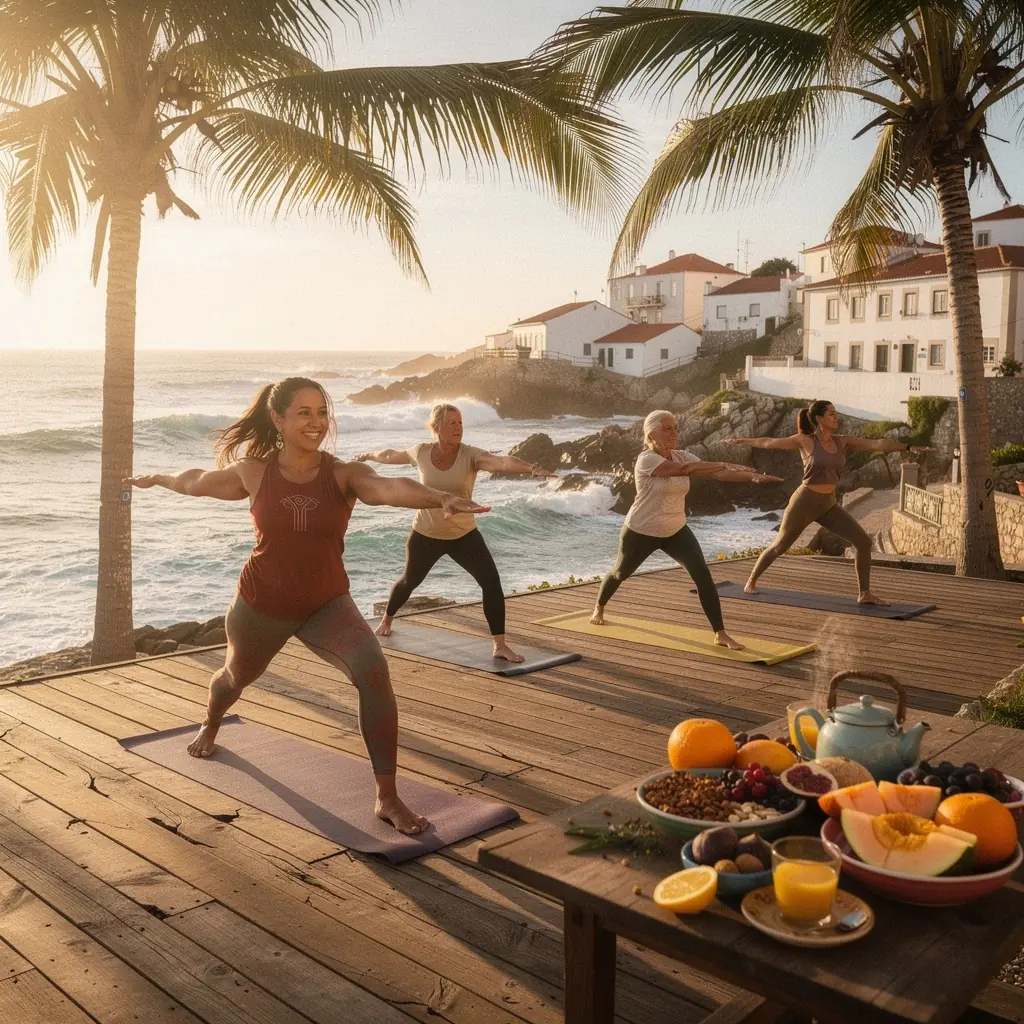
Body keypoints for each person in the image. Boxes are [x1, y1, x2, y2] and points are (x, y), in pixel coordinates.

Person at [125, 377, 490, 836]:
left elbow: (388, 488)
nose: (316, 423)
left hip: (325, 603)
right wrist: (158, 478)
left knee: (373, 669)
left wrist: (438, 496)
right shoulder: (253, 472)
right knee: (235, 678)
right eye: (304, 413)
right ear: (278, 419)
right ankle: (211, 722)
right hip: (260, 604)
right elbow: (196, 481)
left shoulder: (344, 474)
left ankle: (387, 796)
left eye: (322, 412)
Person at [355, 403, 556, 664]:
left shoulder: (470, 455)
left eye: (460, 422)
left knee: (491, 583)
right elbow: (391, 455)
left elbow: (501, 462)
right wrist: (369, 455)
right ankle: (387, 620)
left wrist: (530, 468)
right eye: (451, 422)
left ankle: (500, 645)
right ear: (436, 427)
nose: (458, 427)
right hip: (426, 534)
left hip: (464, 535)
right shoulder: (421, 452)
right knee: (409, 581)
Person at [590, 410, 784, 650]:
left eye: (675, 428)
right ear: (652, 433)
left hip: (675, 529)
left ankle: (720, 633)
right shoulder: (647, 459)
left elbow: (716, 473)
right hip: (642, 530)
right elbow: (685, 471)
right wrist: (723, 462)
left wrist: (750, 478)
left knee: (702, 575)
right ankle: (599, 606)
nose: (674, 433)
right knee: (620, 573)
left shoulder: (682, 456)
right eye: (667, 428)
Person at [726, 399, 933, 604]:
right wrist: (743, 441)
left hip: (828, 504)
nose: (836, 417)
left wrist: (908, 446)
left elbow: (876, 444)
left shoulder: (842, 441)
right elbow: (769, 443)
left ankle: (864, 593)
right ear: (819, 419)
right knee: (779, 546)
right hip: (804, 502)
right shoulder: (805, 441)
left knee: (863, 543)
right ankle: (751, 581)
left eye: (836, 413)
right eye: (832, 414)